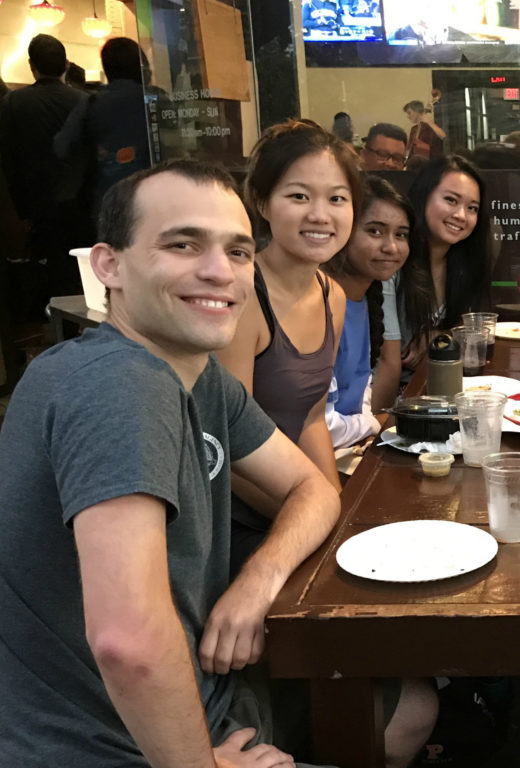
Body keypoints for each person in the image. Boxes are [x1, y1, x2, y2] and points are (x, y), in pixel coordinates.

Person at [0, 159, 343, 766]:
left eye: (238, 252)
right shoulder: (116, 384)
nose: (219, 272)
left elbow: (312, 490)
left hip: (207, 699)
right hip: (105, 747)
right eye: (183, 244)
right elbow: (128, 644)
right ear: (109, 265)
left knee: (407, 708)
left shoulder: (198, 375)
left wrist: (254, 584)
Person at [217, 119, 355, 569]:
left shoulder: (331, 294)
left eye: (337, 198)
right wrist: (312, 519)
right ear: (262, 202)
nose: (320, 214)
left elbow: (312, 417)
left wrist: (331, 504)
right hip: (234, 520)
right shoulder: (241, 296)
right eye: (299, 196)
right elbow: (227, 444)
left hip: (297, 502)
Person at [323, 176, 418, 448]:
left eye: (401, 235)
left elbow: (359, 390)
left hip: (351, 444)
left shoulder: (364, 299)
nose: (391, 247)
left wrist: (370, 423)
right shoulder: (321, 302)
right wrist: (376, 425)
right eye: (375, 231)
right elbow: (317, 422)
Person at [0, 34, 86, 314]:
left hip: (39, 206)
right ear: (66, 64)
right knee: (84, 275)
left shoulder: (13, 103)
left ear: (31, 65)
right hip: (82, 205)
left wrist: (22, 209)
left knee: (53, 273)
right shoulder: (85, 101)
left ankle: (58, 329)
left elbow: (9, 160)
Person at [55, 37, 152, 230]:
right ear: (141, 66)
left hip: (108, 201)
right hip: (154, 198)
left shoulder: (92, 103)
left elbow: (61, 147)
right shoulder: (156, 98)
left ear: (108, 68)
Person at [404, 154, 490, 352]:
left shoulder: (465, 264)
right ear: (423, 197)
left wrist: (441, 336)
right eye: (451, 200)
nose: (461, 215)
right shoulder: (395, 260)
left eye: (472, 208)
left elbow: (473, 331)